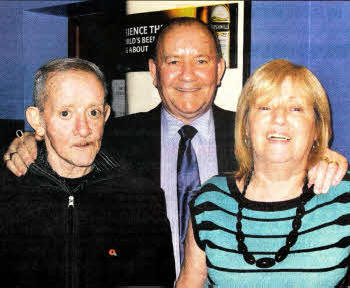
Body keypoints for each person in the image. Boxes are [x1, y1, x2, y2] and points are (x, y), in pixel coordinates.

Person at [3, 17, 348, 275]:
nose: (187, 75)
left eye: (200, 61)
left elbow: (292, 149)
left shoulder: (252, 134)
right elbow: (67, 140)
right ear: (153, 71)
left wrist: (323, 157)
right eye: (172, 62)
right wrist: (29, 140)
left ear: (219, 69)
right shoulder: (114, 135)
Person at [0, 58, 175, 287]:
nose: (84, 129)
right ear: (37, 120)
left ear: (106, 115)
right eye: (65, 114)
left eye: (93, 112)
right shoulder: (7, 195)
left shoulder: (141, 198)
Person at [176, 59, 350, 287]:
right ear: (246, 126)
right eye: (265, 107)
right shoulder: (210, 200)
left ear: (317, 128)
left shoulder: (343, 198)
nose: (279, 119)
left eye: (296, 108)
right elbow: (190, 282)